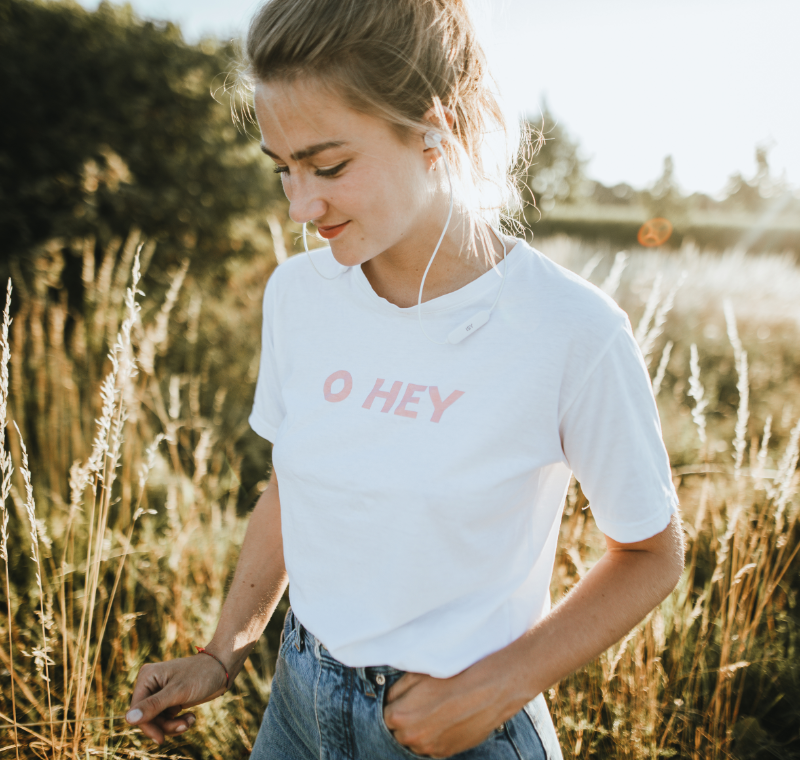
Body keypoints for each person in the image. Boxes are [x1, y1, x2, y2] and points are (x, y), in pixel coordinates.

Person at [125, 0, 685, 757]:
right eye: (283, 169)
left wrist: (499, 687)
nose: (301, 205)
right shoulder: (298, 297)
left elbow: (652, 555)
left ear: (435, 129)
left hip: (456, 728)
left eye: (328, 166)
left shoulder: (570, 330)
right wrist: (224, 650)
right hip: (296, 704)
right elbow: (296, 486)